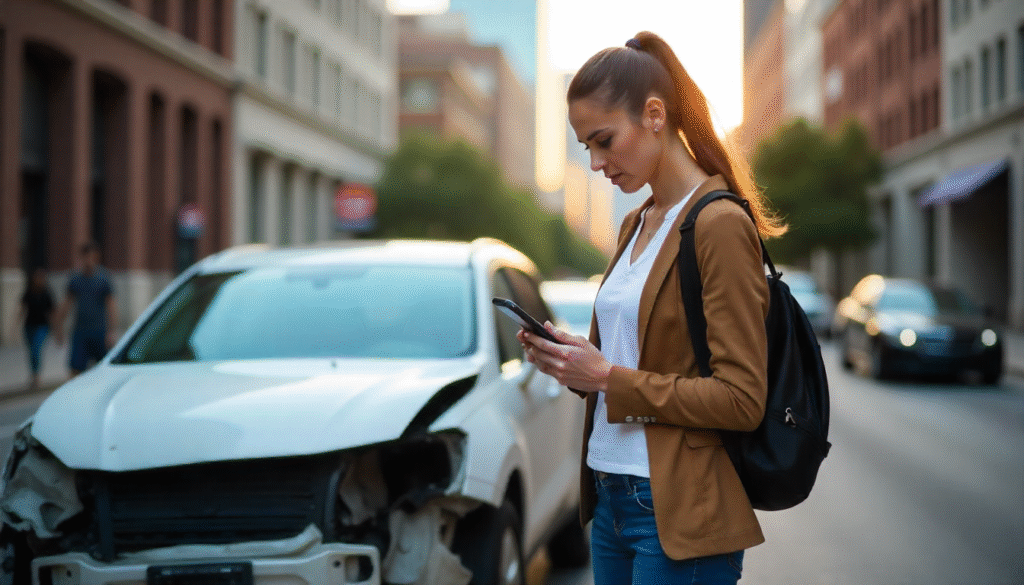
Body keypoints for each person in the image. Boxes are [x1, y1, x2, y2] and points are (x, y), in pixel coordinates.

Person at [518, 31, 786, 585]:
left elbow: (741, 400)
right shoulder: (635, 223)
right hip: (610, 499)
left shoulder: (719, 224)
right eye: (586, 146)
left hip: (677, 509)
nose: (595, 163)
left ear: (655, 115)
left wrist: (609, 378)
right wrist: (577, 365)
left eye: (604, 141)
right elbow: (637, 362)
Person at [53, 242, 117, 376]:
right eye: (85, 257)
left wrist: (111, 331)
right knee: (75, 369)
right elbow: (67, 304)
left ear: (96, 258)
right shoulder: (75, 279)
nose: (88, 261)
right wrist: (58, 326)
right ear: (81, 258)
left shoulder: (103, 279)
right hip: (81, 331)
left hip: (99, 330)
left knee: (104, 370)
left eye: (91, 257)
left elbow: (111, 306)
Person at [15, 267, 55, 390]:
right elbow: (22, 309)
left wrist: (56, 328)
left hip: (42, 327)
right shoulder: (29, 292)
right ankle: (33, 374)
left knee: (36, 350)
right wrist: (16, 325)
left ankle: (37, 377)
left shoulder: (46, 293)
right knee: (31, 352)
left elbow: (52, 312)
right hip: (29, 326)